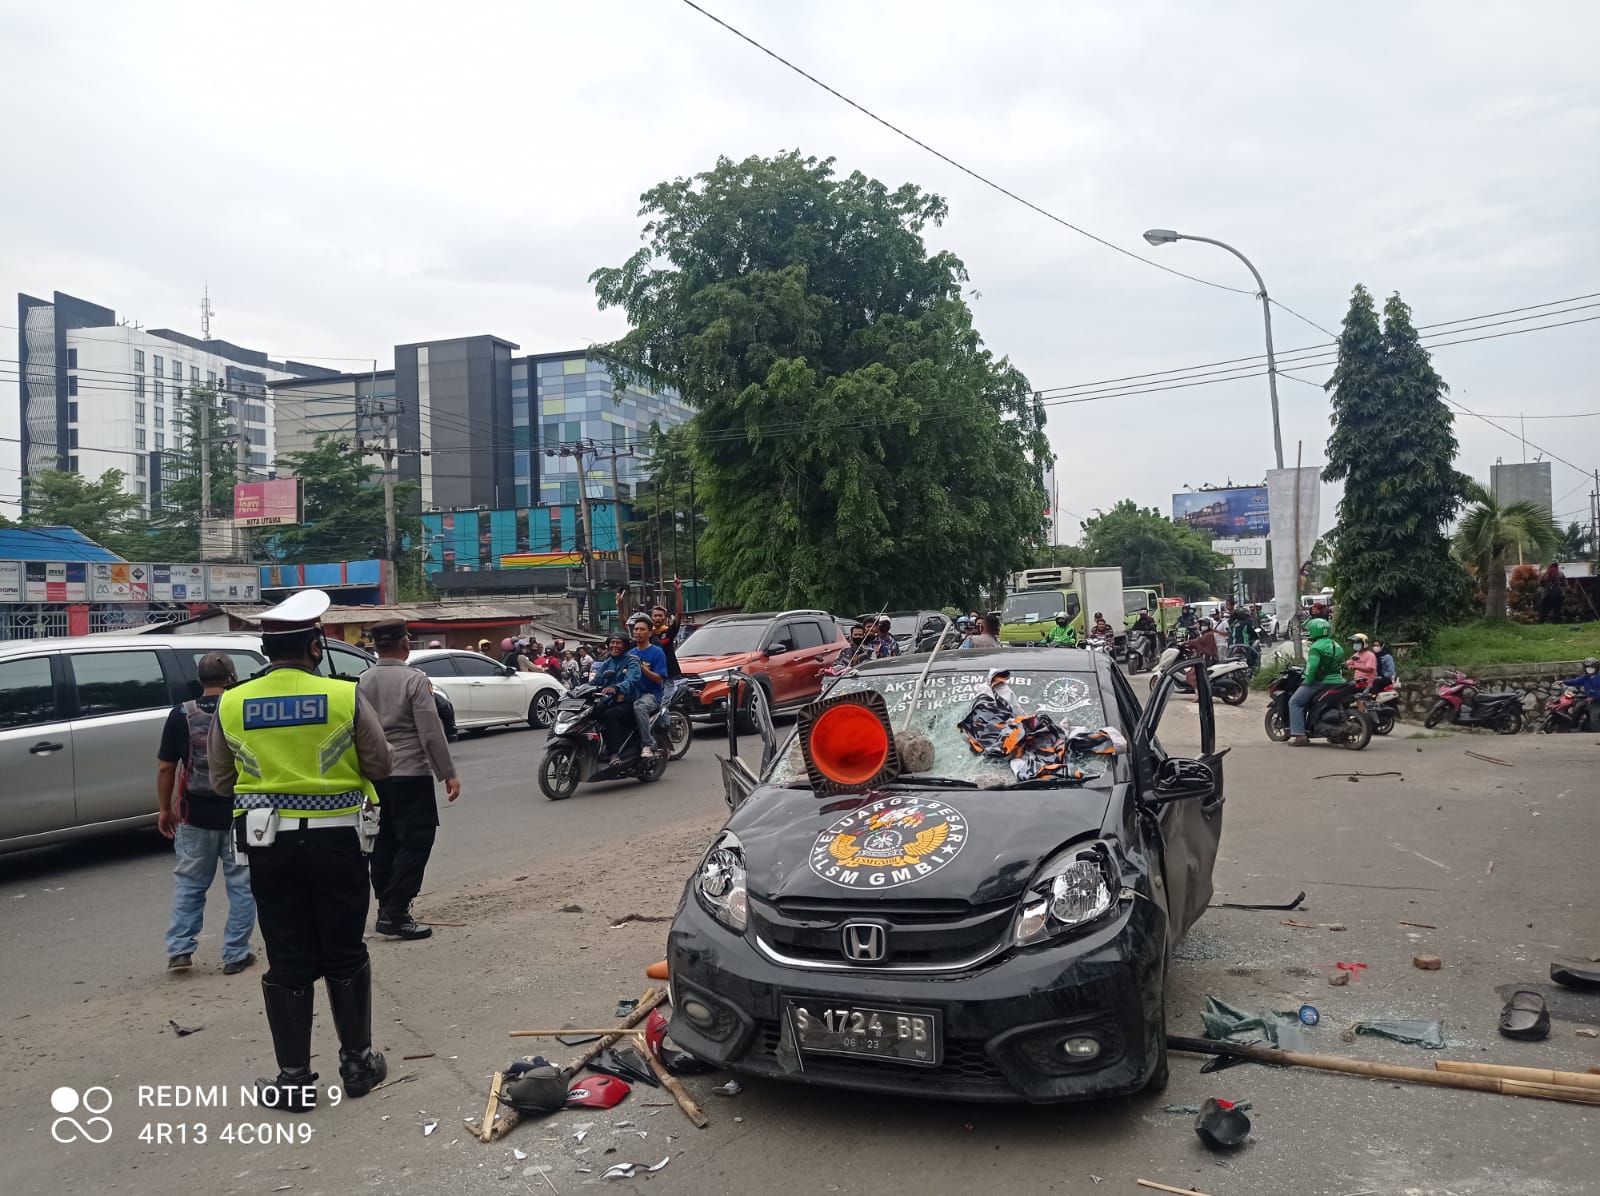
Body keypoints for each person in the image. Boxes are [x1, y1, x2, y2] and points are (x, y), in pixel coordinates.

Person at [208, 590, 393, 1111]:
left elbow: (223, 782)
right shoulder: (342, 695)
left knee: (287, 955)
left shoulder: (232, 701)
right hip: (338, 842)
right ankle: (357, 1065)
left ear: (267, 652)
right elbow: (379, 765)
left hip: (270, 847)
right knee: (344, 948)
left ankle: (292, 1078)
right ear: (315, 646)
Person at [358, 619, 460, 942]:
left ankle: (386, 905)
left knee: (383, 842)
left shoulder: (362, 681)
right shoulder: (414, 680)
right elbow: (430, 731)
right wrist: (448, 773)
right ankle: (396, 911)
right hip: (409, 772)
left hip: (375, 774)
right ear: (405, 644)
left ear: (376, 646)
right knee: (416, 840)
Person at [158, 652, 257, 977]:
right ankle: (235, 954)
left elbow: (167, 766)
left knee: (190, 884)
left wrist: (164, 808)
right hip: (238, 810)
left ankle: (180, 951)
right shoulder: (242, 708)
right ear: (230, 676)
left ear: (201, 679)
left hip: (193, 813)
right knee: (242, 886)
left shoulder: (181, 714)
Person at [1288, 616, 1345, 746]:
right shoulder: (1336, 645)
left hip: (1321, 683)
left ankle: (1299, 735)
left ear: (1314, 631)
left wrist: (1307, 681)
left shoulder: (1316, 647)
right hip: (1339, 681)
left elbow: (1312, 667)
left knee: (1295, 702)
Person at [591, 633, 643, 764]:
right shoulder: (607, 662)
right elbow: (596, 680)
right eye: (612, 643)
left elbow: (632, 679)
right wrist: (577, 690)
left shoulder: (632, 660)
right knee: (592, 712)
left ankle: (614, 753)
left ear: (625, 646)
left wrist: (616, 688)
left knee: (610, 715)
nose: (614, 646)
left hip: (627, 702)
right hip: (608, 700)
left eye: (618, 643)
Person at [628, 615, 668, 758]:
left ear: (650, 633)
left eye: (642, 629)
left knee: (639, 707)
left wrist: (641, 667)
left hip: (651, 695)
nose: (638, 632)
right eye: (636, 629)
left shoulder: (657, 652)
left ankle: (647, 744)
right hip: (632, 694)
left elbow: (659, 678)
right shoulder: (630, 653)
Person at [648, 579, 685, 678]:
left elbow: (679, 614)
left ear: (665, 618)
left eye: (660, 615)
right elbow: (628, 628)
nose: (657, 618)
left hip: (670, 673)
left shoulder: (669, 632)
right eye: (655, 616)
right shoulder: (647, 633)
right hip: (653, 673)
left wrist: (678, 591)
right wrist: (619, 606)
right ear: (651, 618)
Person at [1560, 657, 1600, 730]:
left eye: (1591, 668)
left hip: (1597, 702)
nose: (1589, 670)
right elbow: (1575, 681)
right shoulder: (1585, 677)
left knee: (1594, 716)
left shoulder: (1599, 678)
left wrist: (1594, 698)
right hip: (1588, 701)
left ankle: (1596, 733)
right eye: (1587, 668)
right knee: (1578, 708)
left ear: (1596, 668)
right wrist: (1563, 682)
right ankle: (1573, 727)